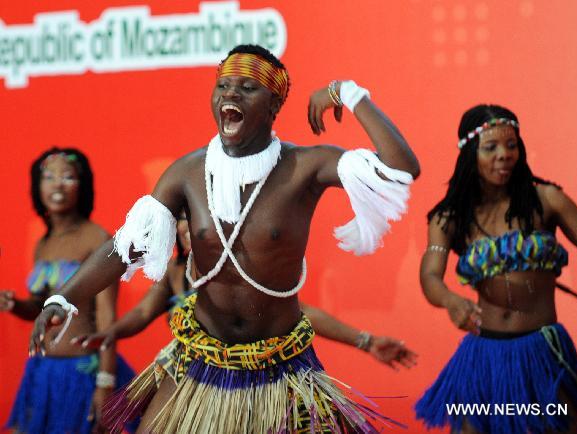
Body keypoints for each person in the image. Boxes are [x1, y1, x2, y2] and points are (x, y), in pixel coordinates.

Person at [31, 44, 420, 433]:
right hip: (201, 365)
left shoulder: (305, 167)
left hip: (281, 370)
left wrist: (347, 93)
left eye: (248, 87)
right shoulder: (187, 172)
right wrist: (63, 297)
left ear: (273, 106)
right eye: (223, 86)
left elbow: (402, 168)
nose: (230, 94)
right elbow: (123, 247)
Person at [415, 105, 577, 434]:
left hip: (542, 353)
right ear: (471, 153)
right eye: (491, 147)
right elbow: (430, 276)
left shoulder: (548, 199)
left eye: (511, 145)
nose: (504, 155)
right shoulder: (450, 217)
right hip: (484, 358)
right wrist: (450, 301)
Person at [72, 212, 418, 370]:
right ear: (176, 230)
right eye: (184, 219)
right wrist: (111, 333)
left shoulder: (245, 273)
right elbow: (142, 313)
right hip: (192, 376)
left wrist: (365, 341)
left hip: (256, 376)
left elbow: (303, 315)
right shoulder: (174, 274)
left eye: (200, 219)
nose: (191, 227)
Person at [1, 148, 136, 433]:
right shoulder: (44, 244)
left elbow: (107, 318)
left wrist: (104, 384)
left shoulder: (97, 239)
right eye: (48, 176)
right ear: (37, 186)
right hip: (43, 372)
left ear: (82, 185)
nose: (57, 184)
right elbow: (43, 309)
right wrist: (16, 305)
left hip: (82, 374)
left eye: (68, 177)